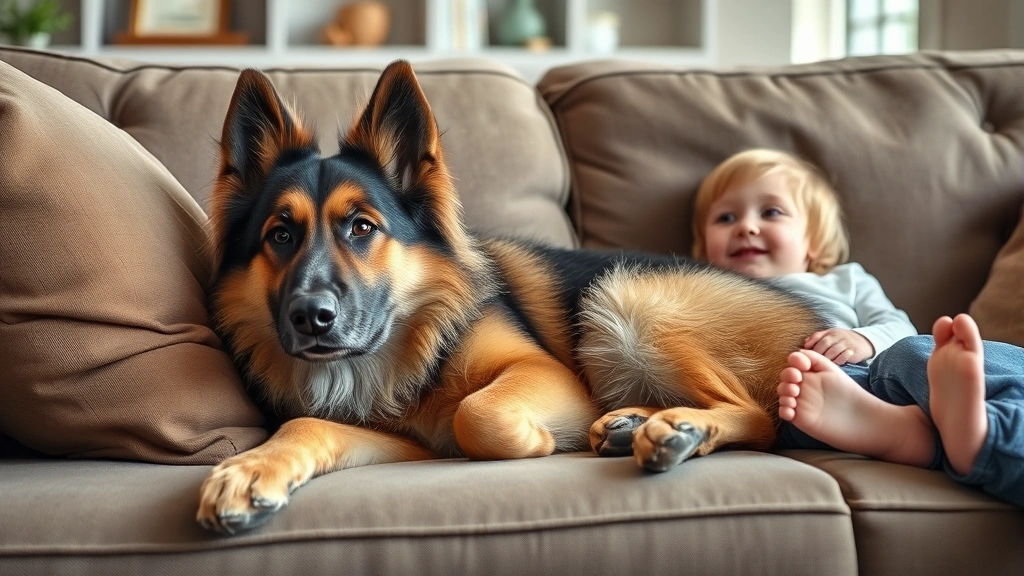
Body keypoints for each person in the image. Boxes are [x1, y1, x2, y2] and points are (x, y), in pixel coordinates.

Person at [690, 148, 1024, 507]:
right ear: (704, 250)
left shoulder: (845, 279)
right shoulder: (707, 296)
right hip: (807, 403)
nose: (746, 227)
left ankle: (911, 434)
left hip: (891, 380)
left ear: (812, 241)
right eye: (725, 218)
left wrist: (862, 338)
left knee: (915, 351)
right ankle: (979, 437)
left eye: (771, 212)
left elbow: (898, 325)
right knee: (801, 403)